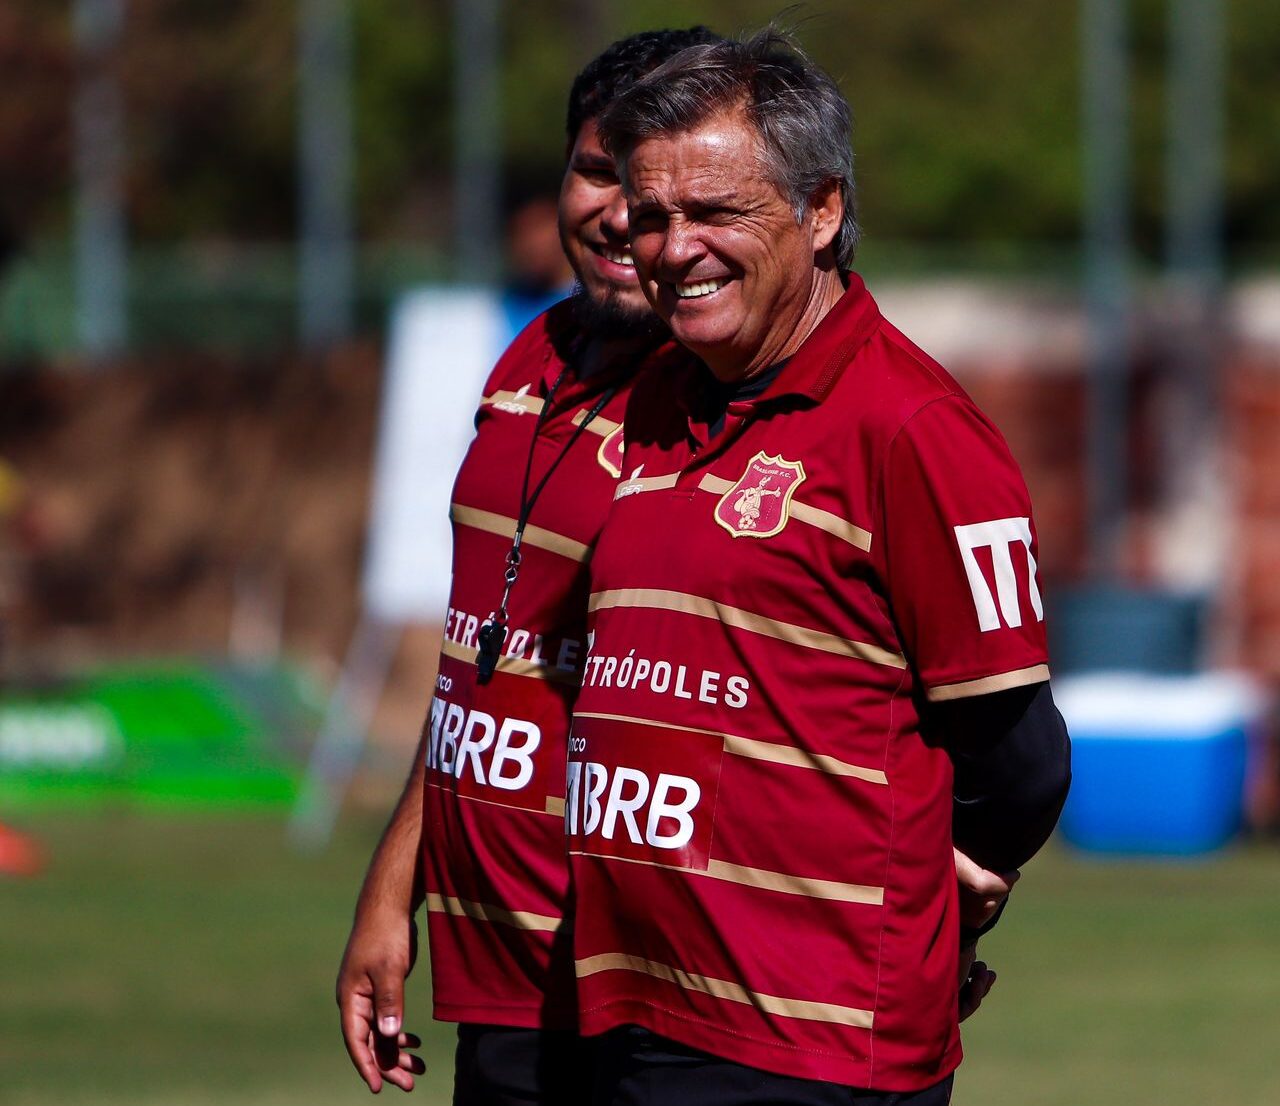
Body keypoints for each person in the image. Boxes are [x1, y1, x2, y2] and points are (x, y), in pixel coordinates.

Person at [566, 29, 1071, 1104]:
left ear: (822, 210)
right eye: (651, 218)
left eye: (713, 213)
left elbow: (1016, 756)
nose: (672, 247)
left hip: (807, 1044)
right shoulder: (658, 396)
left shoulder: (911, 428)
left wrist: (942, 896)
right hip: (640, 1012)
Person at [334, 27, 721, 1104]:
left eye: (656, 183)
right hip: (503, 975)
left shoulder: (731, 397)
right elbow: (481, 657)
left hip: (668, 984)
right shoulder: (527, 362)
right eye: (599, 169)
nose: (619, 210)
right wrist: (391, 886)